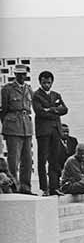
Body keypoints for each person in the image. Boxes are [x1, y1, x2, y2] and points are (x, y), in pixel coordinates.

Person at [31, 70, 68, 196]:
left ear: (52, 82)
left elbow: (65, 109)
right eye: (44, 82)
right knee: (42, 160)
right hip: (43, 131)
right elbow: (40, 112)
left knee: (54, 159)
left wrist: (51, 109)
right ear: (40, 82)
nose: (47, 85)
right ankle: (44, 188)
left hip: (56, 130)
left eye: (49, 82)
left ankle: (54, 187)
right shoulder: (36, 95)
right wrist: (56, 111)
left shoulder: (56, 95)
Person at [0, 64, 35, 194]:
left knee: (27, 160)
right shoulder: (7, 89)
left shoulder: (29, 89)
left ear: (26, 75)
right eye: (18, 74)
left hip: (27, 127)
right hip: (13, 127)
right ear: (14, 74)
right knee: (13, 160)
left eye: (23, 74)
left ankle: (26, 188)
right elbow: (3, 110)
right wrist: (8, 126)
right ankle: (13, 187)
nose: (21, 76)